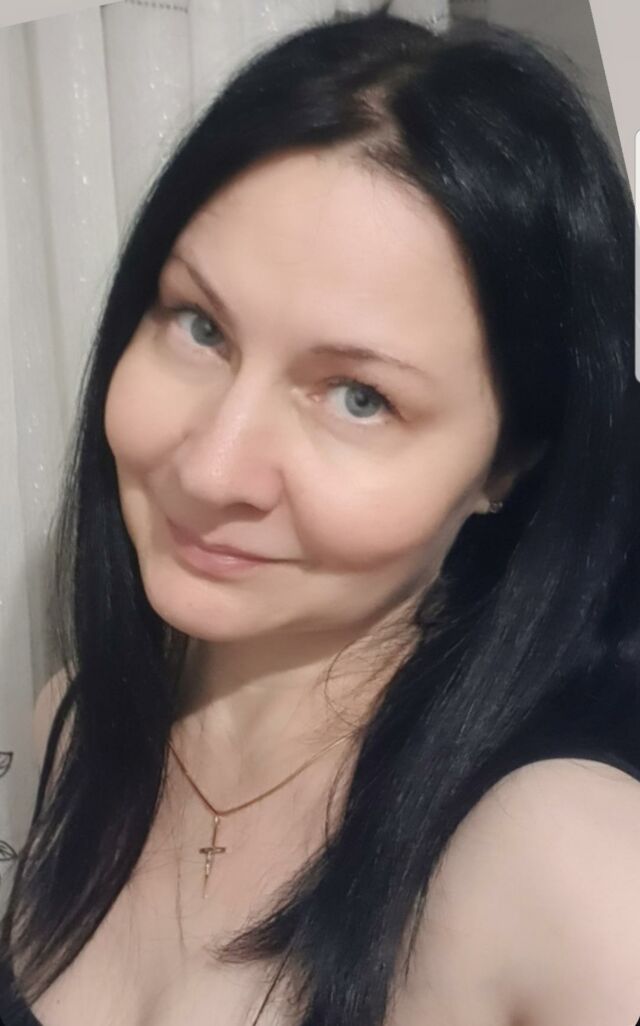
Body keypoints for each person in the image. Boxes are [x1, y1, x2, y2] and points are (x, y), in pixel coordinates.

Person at [1, 5, 639, 1026]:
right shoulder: (74, 727)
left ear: (507, 467)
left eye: (359, 398)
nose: (211, 468)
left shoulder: (567, 866)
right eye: (199, 326)